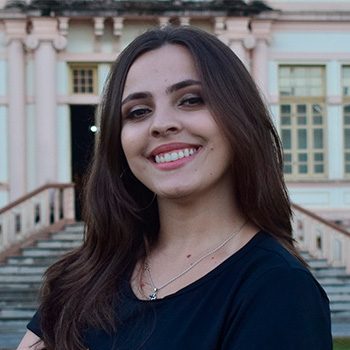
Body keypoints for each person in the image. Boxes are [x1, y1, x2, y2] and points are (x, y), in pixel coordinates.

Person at [18, 25, 332, 350]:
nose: (161, 124)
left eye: (191, 100)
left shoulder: (278, 289)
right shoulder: (88, 276)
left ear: (240, 116)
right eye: (138, 111)